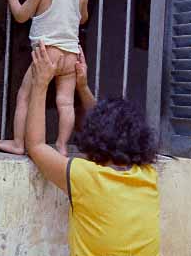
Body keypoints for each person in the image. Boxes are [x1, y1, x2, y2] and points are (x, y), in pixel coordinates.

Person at [25, 41, 160, 256]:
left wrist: (41, 84)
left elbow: (36, 146)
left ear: (94, 139)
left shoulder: (85, 177)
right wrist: (83, 86)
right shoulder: (148, 176)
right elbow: (105, 125)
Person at [0, 0, 88, 156]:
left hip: (47, 55)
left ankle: (18, 143)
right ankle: (62, 145)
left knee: (25, 96)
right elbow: (83, 19)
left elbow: (21, 15)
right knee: (65, 102)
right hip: (70, 56)